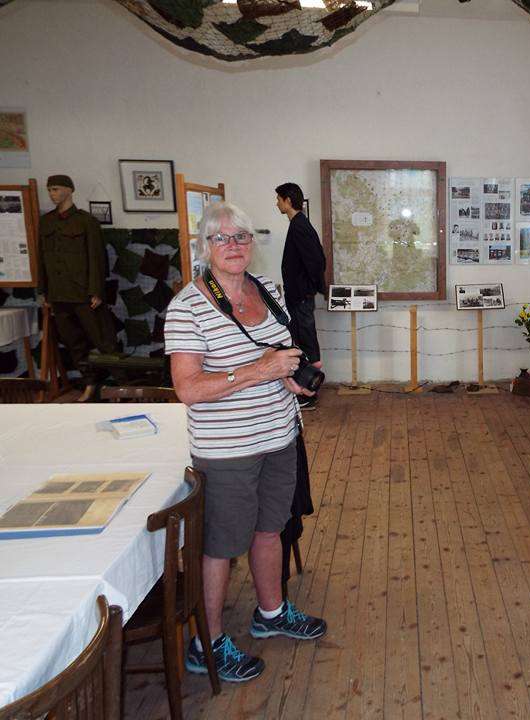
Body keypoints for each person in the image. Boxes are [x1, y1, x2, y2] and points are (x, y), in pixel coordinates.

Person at [165, 201, 326, 683]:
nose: (233, 245)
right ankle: (207, 644)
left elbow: (277, 354)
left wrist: (290, 377)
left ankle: (271, 613)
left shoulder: (268, 290)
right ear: (204, 246)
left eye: (241, 237)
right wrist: (259, 371)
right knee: (220, 546)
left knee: (270, 529)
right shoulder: (187, 307)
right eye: (221, 238)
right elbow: (188, 388)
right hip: (227, 451)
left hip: (279, 436)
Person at [37, 174, 117, 402]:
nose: (52, 194)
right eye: (49, 189)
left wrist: (96, 291)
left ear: (69, 190)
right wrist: (44, 291)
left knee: (104, 341)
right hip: (59, 294)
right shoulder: (46, 222)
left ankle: (124, 385)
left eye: (56, 189)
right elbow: (41, 258)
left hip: (84, 293)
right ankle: (89, 384)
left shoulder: (86, 221)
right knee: (74, 344)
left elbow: (97, 257)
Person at [276, 182, 325, 410]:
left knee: (306, 341)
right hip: (298, 295)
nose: (277, 203)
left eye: (279, 199)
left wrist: (309, 288)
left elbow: (316, 261)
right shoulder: (298, 223)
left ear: (288, 200)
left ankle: (310, 391)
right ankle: (306, 390)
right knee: (301, 340)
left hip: (301, 296)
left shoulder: (300, 226)